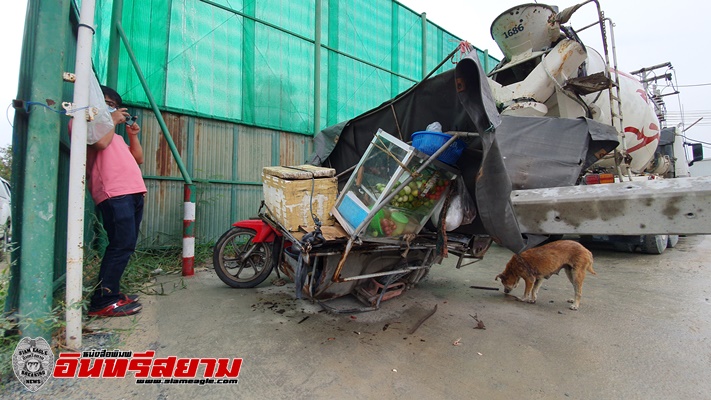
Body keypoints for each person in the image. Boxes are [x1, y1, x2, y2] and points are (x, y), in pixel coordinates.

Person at [83, 86, 147, 317]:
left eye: (113, 105)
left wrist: (132, 135)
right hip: (114, 193)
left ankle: (111, 293)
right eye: (106, 103)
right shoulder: (87, 126)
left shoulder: (116, 137)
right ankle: (103, 302)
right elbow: (99, 143)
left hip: (132, 193)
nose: (111, 108)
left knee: (125, 244)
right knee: (121, 244)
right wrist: (110, 119)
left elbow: (138, 157)